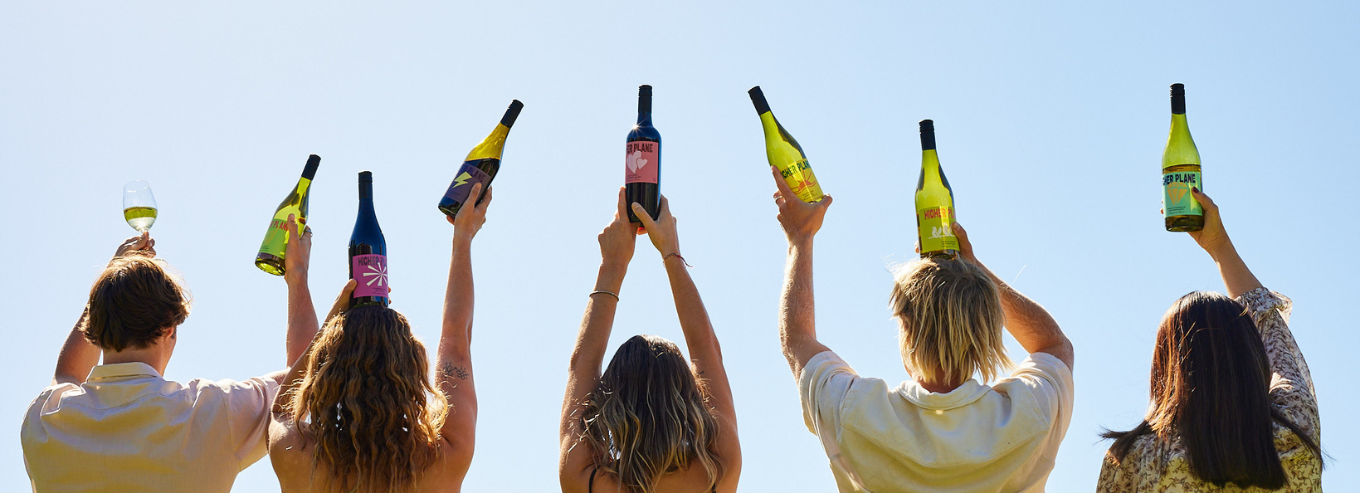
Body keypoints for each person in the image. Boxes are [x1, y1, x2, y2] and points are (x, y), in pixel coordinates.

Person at [770, 167, 1075, 492]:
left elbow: (797, 340)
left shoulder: (856, 413)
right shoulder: (1029, 414)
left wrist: (800, 239)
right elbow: (1053, 345)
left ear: (907, 332)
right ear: (988, 329)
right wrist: (973, 266)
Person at [22, 217, 314, 492]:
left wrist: (108, 286)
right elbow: (304, 380)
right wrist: (297, 275)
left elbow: (67, 374)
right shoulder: (211, 412)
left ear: (94, 328)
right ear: (168, 330)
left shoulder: (47, 420)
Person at [268, 182, 493, 492]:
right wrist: (463, 237)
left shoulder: (298, 456)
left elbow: (285, 405)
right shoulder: (445, 457)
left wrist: (300, 281)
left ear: (327, 370)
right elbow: (456, 345)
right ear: (410, 368)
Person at [1097, 188, 1323, 491]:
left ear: (1167, 370)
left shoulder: (1136, 459)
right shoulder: (1294, 433)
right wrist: (1219, 245)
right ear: (1252, 359)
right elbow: (1271, 325)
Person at [559, 190, 742, 493]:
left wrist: (612, 265)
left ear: (608, 401)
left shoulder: (586, 481)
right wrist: (670, 251)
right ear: (691, 398)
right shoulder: (717, 472)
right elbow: (706, 352)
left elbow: (582, 364)